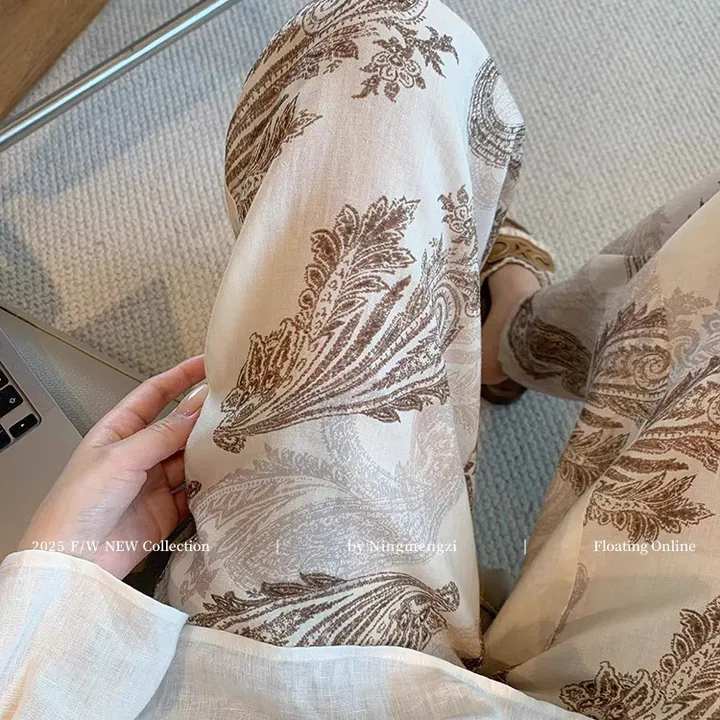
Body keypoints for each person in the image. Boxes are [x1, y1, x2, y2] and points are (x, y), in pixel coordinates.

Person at [1, 0, 719, 717]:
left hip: (262, 687)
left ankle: (511, 343)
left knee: (382, 50)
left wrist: (53, 599)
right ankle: (516, 341)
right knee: (394, 56)